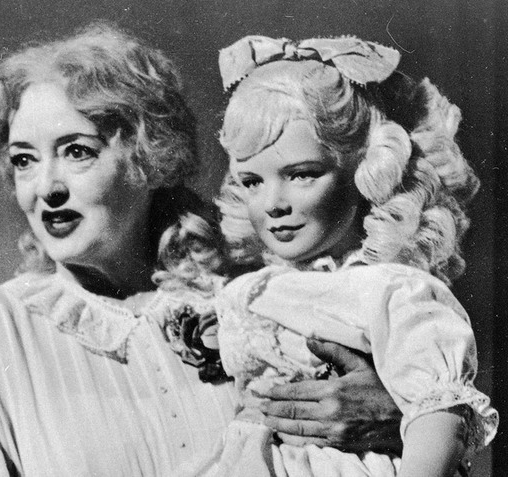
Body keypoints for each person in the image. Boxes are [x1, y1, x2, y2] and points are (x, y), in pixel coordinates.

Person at [0, 25, 403, 476]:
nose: (46, 187)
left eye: (76, 151)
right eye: (24, 160)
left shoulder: (257, 299)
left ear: (149, 155)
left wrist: (396, 416)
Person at [169, 35, 498, 476]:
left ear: (367, 171)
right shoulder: (258, 287)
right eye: (252, 181)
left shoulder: (393, 290)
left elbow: (441, 412)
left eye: (302, 175)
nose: (273, 203)